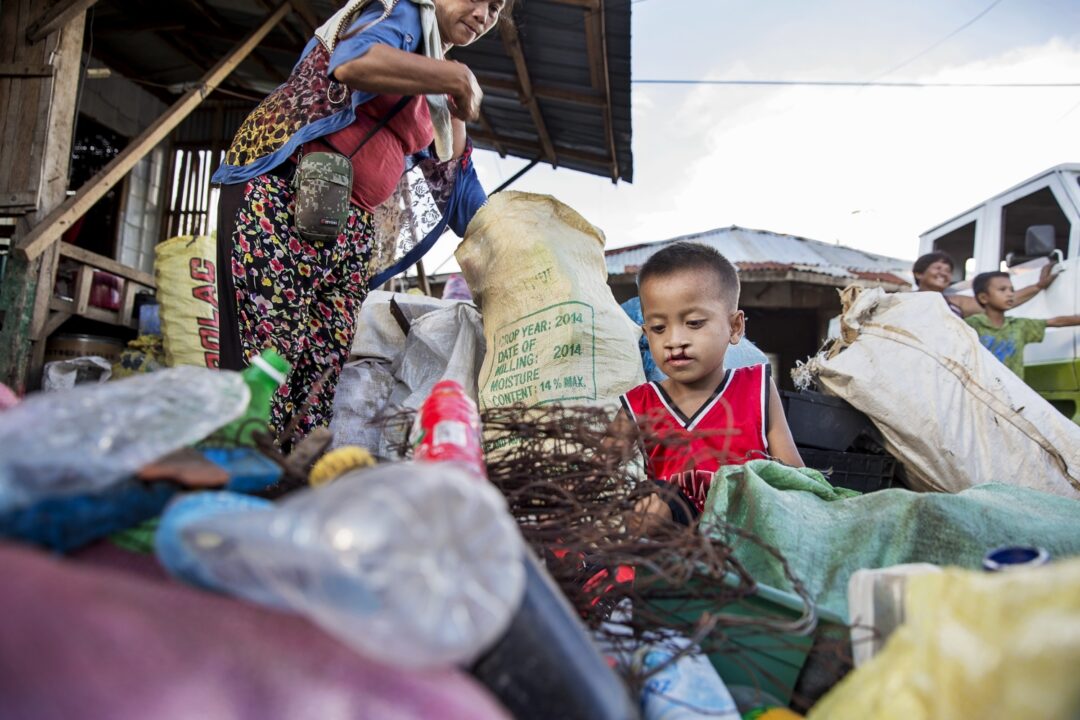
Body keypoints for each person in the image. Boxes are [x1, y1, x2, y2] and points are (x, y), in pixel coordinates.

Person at [210, 0, 510, 440]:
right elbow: (353, 61)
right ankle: (240, 486)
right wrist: (458, 77)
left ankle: (294, 485)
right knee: (268, 357)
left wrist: (513, 238)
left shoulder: (438, 90)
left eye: (497, 7)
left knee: (320, 367)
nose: (484, 13)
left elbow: (457, 190)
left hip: (348, 228)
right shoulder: (403, 12)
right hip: (282, 195)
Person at [612, 242, 803, 524]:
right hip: (672, 551)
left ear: (735, 327)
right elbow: (591, 474)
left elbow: (794, 478)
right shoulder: (640, 405)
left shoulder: (756, 388)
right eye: (658, 328)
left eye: (694, 323)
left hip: (749, 538)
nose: (674, 341)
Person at [965, 271, 1080, 380]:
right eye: (1002, 289)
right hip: (982, 392)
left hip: (1014, 393)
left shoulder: (1019, 325)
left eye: (1012, 290)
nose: (1010, 294)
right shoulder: (970, 326)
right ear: (983, 298)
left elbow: (1056, 322)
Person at [912, 251, 1057, 318]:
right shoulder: (903, 299)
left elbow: (999, 300)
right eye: (938, 268)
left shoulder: (956, 302)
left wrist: (1038, 286)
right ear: (919, 273)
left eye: (948, 271)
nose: (943, 273)